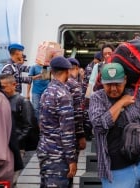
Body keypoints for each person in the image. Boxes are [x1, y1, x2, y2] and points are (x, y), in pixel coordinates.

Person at [89, 63, 140, 187]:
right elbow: (100, 124)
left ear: (125, 80)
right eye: (108, 84)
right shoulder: (97, 98)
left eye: (117, 84)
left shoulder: (134, 93)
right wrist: (122, 102)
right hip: (115, 167)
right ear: (102, 82)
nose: (113, 89)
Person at [37, 56, 77, 188]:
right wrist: (71, 159)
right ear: (67, 72)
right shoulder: (63, 95)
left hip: (45, 150)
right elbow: (67, 131)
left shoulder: (46, 92)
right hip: (58, 156)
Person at [0, 73, 38, 186]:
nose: (1, 90)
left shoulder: (23, 102)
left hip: (17, 148)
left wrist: (15, 142)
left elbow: (29, 126)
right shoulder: (0, 101)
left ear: (14, 85)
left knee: (11, 179)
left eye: (3, 87)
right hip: (4, 147)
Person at [66, 57, 86, 151]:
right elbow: (77, 111)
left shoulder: (54, 84)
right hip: (71, 130)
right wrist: (81, 135)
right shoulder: (74, 84)